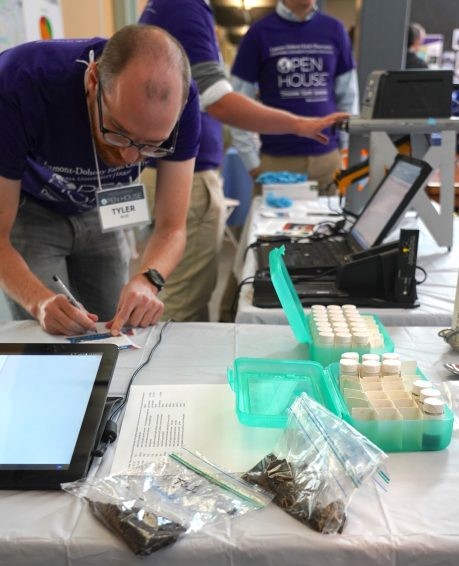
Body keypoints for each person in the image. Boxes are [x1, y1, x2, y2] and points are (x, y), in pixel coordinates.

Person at [138, 0, 349, 322]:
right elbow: (218, 99)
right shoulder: (185, 7)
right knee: (184, 299)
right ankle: (179, 372)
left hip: (180, 167)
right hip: (185, 172)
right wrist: (299, 125)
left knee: (180, 290)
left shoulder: (174, 7)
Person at [0, 24, 200, 335]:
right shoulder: (19, 84)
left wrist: (149, 279)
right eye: (119, 133)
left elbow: (172, 226)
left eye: (152, 144)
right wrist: (39, 302)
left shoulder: (181, 102)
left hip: (101, 206)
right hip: (29, 209)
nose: (130, 158)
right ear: (93, 81)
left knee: (115, 329)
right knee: (49, 333)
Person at [230, 0, 359, 195]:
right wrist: (252, 162)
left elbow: (348, 96)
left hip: (328, 161)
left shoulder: (335, 30)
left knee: (335, 224)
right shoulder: (259, 33)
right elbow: (238, 104)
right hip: (277, 162)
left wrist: (346, 150)